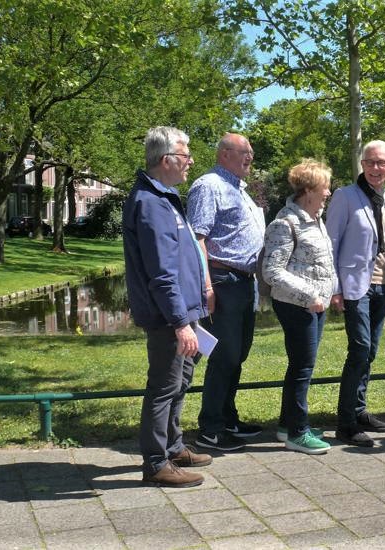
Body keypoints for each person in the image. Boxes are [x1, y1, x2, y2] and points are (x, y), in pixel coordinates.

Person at [122, 126, 213, 488]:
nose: (190, 161)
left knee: (180, 381)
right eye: (185, 155)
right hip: (167, 317)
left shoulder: (165, 196)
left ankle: (173, 447)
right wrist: (179, 322)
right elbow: (162, 273)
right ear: (166, 160)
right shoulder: (151, 203)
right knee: (163, 386)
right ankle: (156, 463)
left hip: (184, 311)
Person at [186, 133, 265, 452]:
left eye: (251, 153)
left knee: (239, 354)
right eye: (245, 152)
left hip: (244, 282)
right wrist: (206, 286)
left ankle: (228, 418)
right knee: (224, 355)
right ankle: (211, 428)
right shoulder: (208, 186)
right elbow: (197, 239)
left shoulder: (239, 189)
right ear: (225, 154)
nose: (250, 157)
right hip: (222, 280)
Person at [326, 140, 385, 448]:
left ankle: (359, 411)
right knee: (359, 350)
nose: (375, 168)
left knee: (369, 353)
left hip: (383, 287)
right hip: (356, 287)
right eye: (370, 162)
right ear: (362, 165)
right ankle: (345, 424)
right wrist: (335, 288)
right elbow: (330, 243)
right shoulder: (345, 197)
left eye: (381, 162)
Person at [261, 159, 338, 454]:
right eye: (325, 188)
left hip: (315, 307)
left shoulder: (315, 218)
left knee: (301, 366)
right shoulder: (285, 223)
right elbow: (272, 272)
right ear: (308, 190)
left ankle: (286, 425)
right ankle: (298, 432)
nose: (328, 193)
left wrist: (328, 293)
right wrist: (310, 295)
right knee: (302, 368)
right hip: (297, 306)